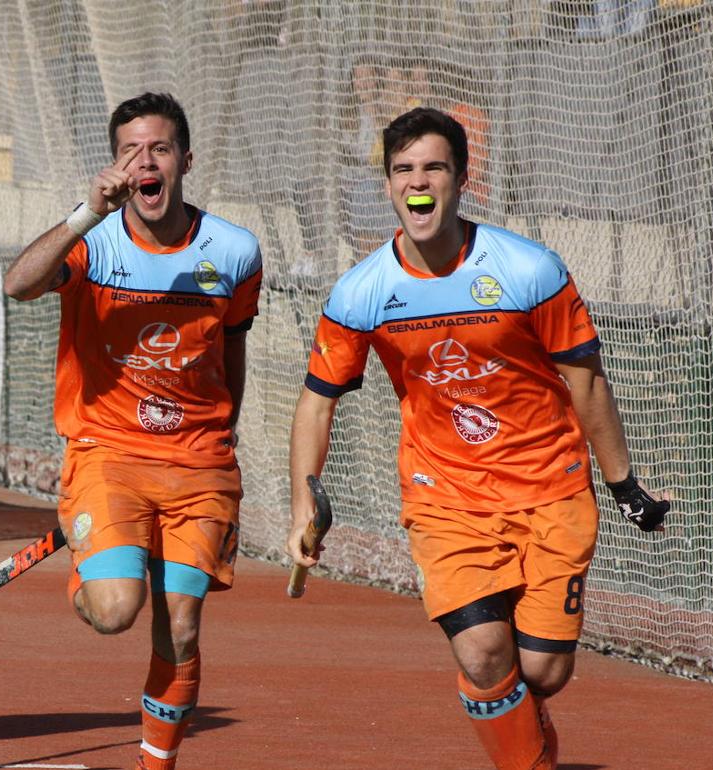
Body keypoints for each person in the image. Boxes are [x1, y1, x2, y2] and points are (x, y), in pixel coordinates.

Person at [286, 107, 668, 769]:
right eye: (403, 169)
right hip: (446, 499)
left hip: (551, 490)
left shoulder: (528, 270)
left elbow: (587, 383)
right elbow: (316, 403)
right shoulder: (362, 293)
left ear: (463, 178)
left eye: (433, 166)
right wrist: (301, 504)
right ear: (387, 185)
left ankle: (523, 720)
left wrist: (624, 483)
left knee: (543, 672)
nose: (418, 181)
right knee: (485, 653)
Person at [3, 92, 262, 770]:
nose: (145, 163)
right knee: (117, 610)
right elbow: (19, 285)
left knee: (179, 625)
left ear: (184, 161)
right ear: (116, 164)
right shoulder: (94, 241)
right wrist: (87, 210)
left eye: (160, 149)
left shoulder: (235, 251)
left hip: (200, 464)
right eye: (131, 152)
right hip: (109, 457)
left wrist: (219, 440)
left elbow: (231, 352)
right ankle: (93, 552)